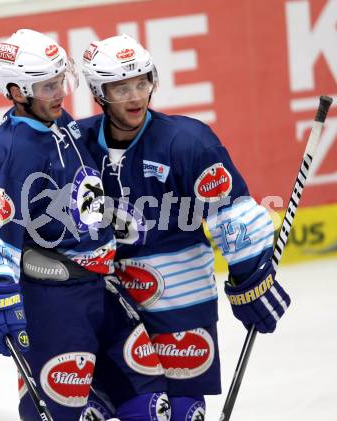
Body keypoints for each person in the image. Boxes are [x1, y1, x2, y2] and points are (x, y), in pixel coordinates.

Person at [78, 34, 291, 420]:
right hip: (108, 301)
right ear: (98, 91)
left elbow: (231, 217)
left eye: (142, 82)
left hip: (180, 299)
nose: (135, 95)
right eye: (121, 87)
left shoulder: (187, 141)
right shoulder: (77, 145)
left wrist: (251, 283)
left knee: (180, 412)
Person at [0, 29, 169, 421]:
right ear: (16, 90)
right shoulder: (7, 149)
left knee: (150, 402)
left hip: (100, 288)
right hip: (53, 302)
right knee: (64, 412)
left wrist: (111, 219)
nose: (59, 92)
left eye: (61, 80)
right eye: (46, 86)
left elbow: (77, 193)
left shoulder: (62, 124)